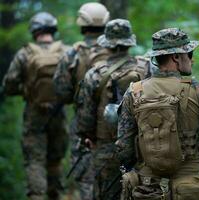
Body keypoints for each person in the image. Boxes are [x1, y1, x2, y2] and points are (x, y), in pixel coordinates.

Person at [116, 28, 199, 200]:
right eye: (190, 53)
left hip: (148, 189)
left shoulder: (134, 92)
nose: (192, 60)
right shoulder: (198, 90)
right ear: (176, 57)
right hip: (189, 188)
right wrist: (197, 125)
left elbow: (124, 150)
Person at [75, 19, 151, 200]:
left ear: (106, 44)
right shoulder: (146, 68)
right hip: (143, 146)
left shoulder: (94, 74)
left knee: (107, 194)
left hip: (107, 149)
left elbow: (85, 118)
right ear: (129, 43)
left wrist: (89, 138)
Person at [2, 12, 69, 200]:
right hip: (58, 113)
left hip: (34, 114)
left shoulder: (25, 53)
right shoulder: (66, 51)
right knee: (55, 160)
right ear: (52, 30)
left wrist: (26, 91)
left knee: (34, 160)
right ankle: (55, 193)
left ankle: (37, 196)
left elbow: (9, 85)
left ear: (34, 31)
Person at [53, 2, 110, 199]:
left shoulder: (72, 54)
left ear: (81, 24)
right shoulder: (117, 51)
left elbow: (61, 91)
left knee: (86, 178)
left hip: (82, 124)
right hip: (115, 121)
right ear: (105, 23)